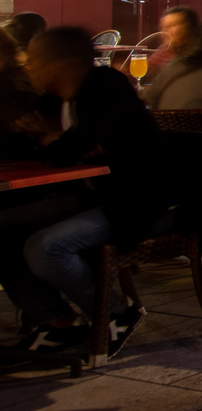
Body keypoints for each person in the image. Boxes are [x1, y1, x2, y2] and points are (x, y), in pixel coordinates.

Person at [1, 27, 170, 356]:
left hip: (135, 202)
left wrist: (54, 139)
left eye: (35, 61)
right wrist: (54, 140)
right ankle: (58, 321)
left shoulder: (107, 86)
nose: (28, 67)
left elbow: (68, 149)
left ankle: (116, 315)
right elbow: (19, 141)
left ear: (59, 64)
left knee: (45, 247)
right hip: (87, 196)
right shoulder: (55, 97)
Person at [150, 6, 201, 74]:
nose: (165, 30)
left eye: (172, 25)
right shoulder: (164, 51)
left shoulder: (200, 53)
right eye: (164, 27)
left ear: (189, 28)